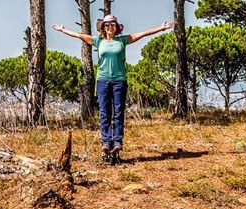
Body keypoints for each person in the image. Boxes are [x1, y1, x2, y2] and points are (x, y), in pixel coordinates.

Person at [52, 14, 173, 163]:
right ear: (103, 28)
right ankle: (106, 143)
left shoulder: (122, 40)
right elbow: (79, 35)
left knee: (118, 112)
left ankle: (117, 143)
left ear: (117, 27)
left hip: (119, 82)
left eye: (113, 25)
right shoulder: (98, 41)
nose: (110, 27)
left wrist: (161, 28)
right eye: (107, 25)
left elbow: (143, 33)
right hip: (102, 81)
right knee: (104, 113)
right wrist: (63, 29)